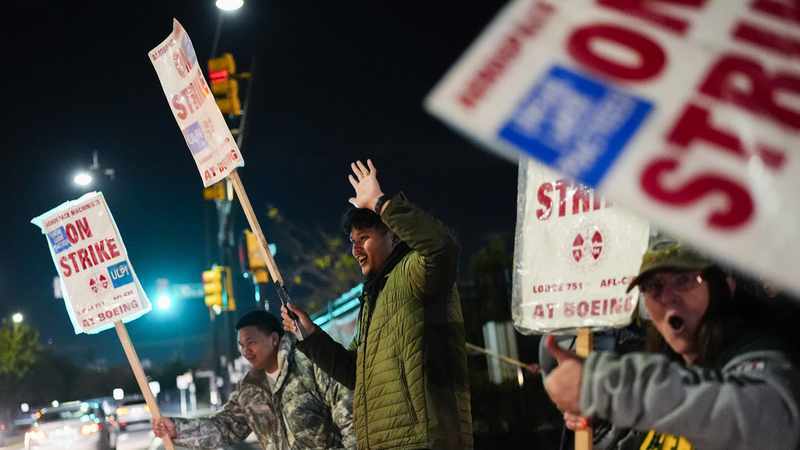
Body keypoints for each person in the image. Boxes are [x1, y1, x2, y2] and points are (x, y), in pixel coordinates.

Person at [281, 159, 473, 449]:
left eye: (365, 238)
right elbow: (355, 373)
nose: (355, 250)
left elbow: (441, 247)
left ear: (393, 235)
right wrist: (309, 335)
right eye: (352, 241)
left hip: (422, 442)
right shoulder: (374, 297)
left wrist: (381, 203)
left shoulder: (414, 272)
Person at [542, 239, 800, 450]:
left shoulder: (762, 354)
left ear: (725, 286)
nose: (666, 298)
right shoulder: (671, 372)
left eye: (684, 280)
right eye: (653, 287)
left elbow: (768, 422)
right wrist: (600, 421)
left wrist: (608, 387)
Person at [151, 310, 355, 450]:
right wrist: (176, 429)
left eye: (251, 342)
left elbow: (349, 418)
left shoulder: (310, 364)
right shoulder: (250, 388)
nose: (245, 351)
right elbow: (225, 426)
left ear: (274, 339)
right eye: (241, 345)